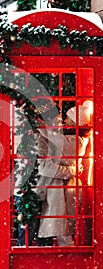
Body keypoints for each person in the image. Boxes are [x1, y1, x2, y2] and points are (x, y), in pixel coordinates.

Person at [36, 101, 92, 246]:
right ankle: (64, 257)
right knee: (60, 230)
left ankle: (69, 259)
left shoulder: (78, 141)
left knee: (64, 232)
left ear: (75, 123)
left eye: (68, 119)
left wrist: (41, 126)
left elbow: (56, 138)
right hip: (59, 188)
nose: (64, 122)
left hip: (67, 189)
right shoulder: (68, 139)